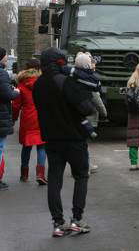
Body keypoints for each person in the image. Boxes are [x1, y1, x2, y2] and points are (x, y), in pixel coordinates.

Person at [32, 48, 96, 237]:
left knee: (55, 179)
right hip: (74, 138)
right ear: (59, 63)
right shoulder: (66, 82)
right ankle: (76, 219)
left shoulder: (38, 85)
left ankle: (57, 223)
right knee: (81, 176)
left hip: (51, 139)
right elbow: (86, 108)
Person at [12, 59, 47, 185]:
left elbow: (16, 105)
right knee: (41, 146)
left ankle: (24, 174)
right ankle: (40, 174)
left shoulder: (21, 84)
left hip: (27, 118)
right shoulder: (43, 83)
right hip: (42, 117)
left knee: (26, 147)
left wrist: (14, 118)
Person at [0, 47, 20, 191]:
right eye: (6, 56)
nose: (7, 58)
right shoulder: (2, 74)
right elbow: (7, 94)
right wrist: (16, 92)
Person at [125, 61, 139, 171]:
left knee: (133, 138)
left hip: (132, 113)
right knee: (138, 137)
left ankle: (133, 162)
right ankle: (135, 163)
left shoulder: (131, 80)